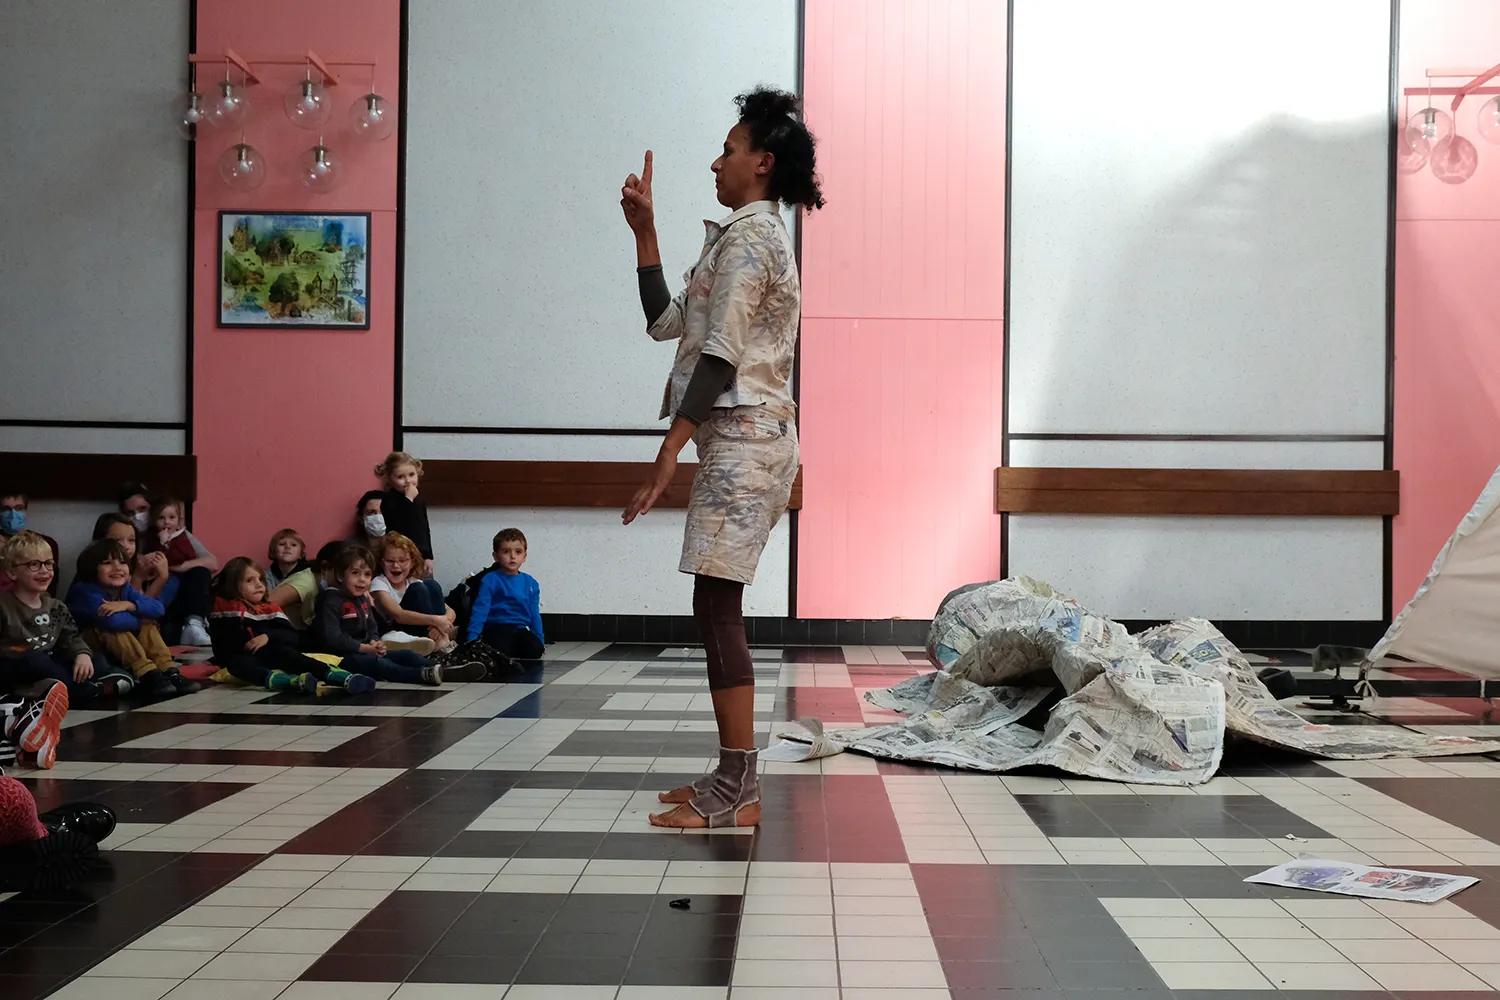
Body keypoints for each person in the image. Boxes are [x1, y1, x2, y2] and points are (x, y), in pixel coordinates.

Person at [619, 88, 823, 828]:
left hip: (746, 439)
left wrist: (668, 451)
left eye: (728, 149)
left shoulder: (753, 240)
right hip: (735, 439)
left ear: (762, 163)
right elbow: (665, 322)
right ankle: (733, 775)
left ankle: (739, 787)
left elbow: (721, 354)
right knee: (713, 603)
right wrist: (646, 232)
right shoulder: (735, 239)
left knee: (718, 605)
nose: (716, 161)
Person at [210, 557, 375, 695]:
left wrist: (268, 637)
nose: (259, 585)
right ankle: (289, 682)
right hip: (244, 657)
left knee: (289, 655)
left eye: (260, 579)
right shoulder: (224, 610)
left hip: (274, 651)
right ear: (232, 585)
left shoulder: (269, 608)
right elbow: (224, 648)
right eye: (249, 581)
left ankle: (340, 677)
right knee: (237, 664)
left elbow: (293, 637)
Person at [65, 538, 197, 699]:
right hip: (87, 651)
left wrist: (129, 605)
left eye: (122, 562)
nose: (117, 568)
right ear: (91, 569)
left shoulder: (125, 589)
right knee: (115, 628)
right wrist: (139, 620)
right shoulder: (84, 591)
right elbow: (112, 621)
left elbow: (158, 609)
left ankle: (168, 670)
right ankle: (146, 674)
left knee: (148, 624)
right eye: (107, 563)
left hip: (115, 649)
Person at [0, 531, 84, 765]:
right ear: (11, 572)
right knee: (36, 661)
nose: (45, 571)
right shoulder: (4, 605)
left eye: (49, 564)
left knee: (93, 662)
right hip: (13, 666)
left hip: (47, 664)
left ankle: (34, 727)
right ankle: (24, 712)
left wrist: (81, 654)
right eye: (34, 565)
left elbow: (70, 637)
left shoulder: (56, 607)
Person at [310, 544, 441, 686]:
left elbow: (372, 627)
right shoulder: (330, 600)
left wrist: (376, 642)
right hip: (339, 657)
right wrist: (363, 648)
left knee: (408, 655)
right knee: (378, 664)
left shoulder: (362, 599)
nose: (362, 579)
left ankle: (439, 669)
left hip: (364, 650)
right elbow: (333, 639)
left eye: (367, 574)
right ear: (341, 576)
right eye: (355, 573)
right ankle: (420, 675)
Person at [466, 529, 545, 663]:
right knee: (501, 648)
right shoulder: (490, 580)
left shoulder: (531, 583)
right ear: (496, 556)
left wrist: (540, 639)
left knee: (535, 649)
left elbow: (534, 614)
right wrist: (472, 639)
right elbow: (480, 610)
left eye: (518, 552)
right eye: (506, 552)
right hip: (496, 628)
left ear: (524, 556)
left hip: (519, 629)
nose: (512, 556)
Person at [147, 496, 217, 646]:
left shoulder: (183, 536)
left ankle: (195, 624)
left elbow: (212, 563)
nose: (167, 522)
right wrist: (163, 545)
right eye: (161, 518)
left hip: (182, 583)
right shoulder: (150, 538)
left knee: (200, 572)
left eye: (171, 517)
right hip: (162, 584)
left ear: (179, 521)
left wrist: (182, 566)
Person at [374, 452, 434, 579]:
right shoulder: (389, 501)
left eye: (412, 475)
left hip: (420, 556)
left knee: (428, 586)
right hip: (400, 558)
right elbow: (403, 525)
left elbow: (424, 529)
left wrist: (428, 556)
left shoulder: (418, 499)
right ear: (390, 479)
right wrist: (408, 500)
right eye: (400, 477)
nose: (408, 481)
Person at [93, 512, 173, 605]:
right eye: (117, 540)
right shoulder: (104, 572)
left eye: (131, 540)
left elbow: (144, 606)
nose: (126, 546)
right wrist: (138, 577)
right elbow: (132, 609)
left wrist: (162, 577)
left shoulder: (134, 565)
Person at [0, 491, 60, 597]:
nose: (13, 514)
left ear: (25, 511)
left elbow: (50, 588)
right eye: (6, 509)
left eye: (19, 508)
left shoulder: (45, 543)